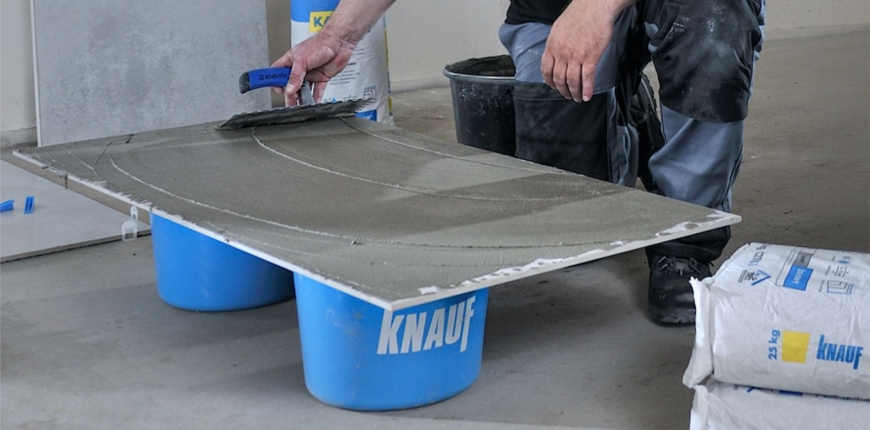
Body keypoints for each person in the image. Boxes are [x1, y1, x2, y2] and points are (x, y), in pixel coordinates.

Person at [273, 0, 766, 325]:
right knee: (574, 221)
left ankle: (687, 242)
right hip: (555, 5)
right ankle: (623, 109)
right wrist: (339, 36)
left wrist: (595, 8)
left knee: (714, 31)